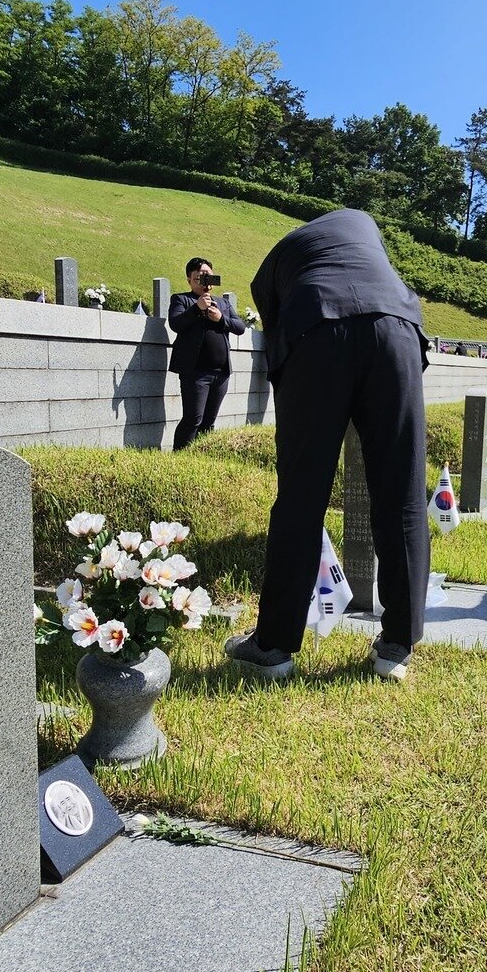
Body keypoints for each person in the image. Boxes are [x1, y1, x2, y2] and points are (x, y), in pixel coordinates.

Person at [224, 208, 430, 681]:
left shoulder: (279, 263)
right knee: (402, 494)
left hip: (315, 329)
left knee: (301, 495)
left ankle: (274, 646)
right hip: (397, 328)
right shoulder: (365, 227)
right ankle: (396, 646)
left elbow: (275, 324)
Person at [168, 257, 246, 451]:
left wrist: (221, 319)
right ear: (189, 280)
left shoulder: (223, 304)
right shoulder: (181, 299)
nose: (205, 281)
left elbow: (240, 327)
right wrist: (197, 308)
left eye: (208, 276)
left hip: (221, 372)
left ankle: (203, 456)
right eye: (199, 278)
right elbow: (175, 324)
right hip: (195, 372)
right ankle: (180, 458)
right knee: (193, 418)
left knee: (209, 421)